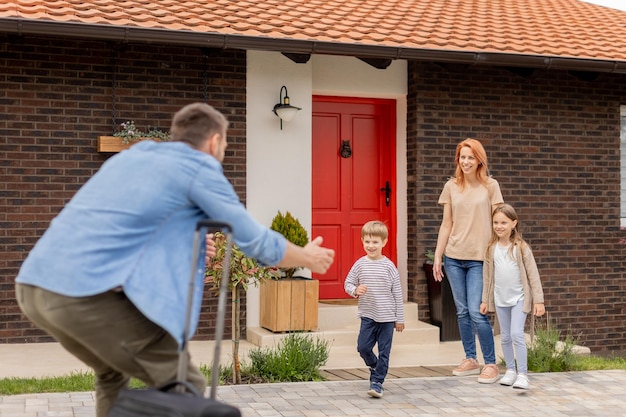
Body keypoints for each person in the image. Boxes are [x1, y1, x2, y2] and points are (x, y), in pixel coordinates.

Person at [15, 102, 335, 417]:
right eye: (224, 144)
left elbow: (126, 227)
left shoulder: (132, 159)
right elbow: (255, 240)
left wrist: (187, 246)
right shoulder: (197, 167)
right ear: (214, 141)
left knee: (112, 373)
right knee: (185, 385)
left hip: (33, 287)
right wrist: (306, 256)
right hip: (81, 295)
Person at [433, 138, 503, 384]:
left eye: (470, 157)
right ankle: (471, 358)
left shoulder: (491, 186)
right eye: (462, 157)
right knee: (462, 311)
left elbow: (499, 223)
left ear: (479, 160)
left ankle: (491, 364)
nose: (465, 161)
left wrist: (501, 253)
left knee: (477, 311)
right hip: (453, 257)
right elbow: (446, 224)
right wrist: (438, 257)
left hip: (479, 259)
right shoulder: (451, 186)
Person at [480, 204, 545, 390]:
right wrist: (485, 300)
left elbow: (533, 274)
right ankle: (510, 370)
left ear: (513, 223)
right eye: (495, 222)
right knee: (505, 336)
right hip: (500, 299)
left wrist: (538, 300)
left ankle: (523, 374)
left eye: (503, 222)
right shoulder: (491, 249)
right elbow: (487, 277)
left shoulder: (521, 248)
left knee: (517, 334)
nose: (499, 226)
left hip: (519, 298)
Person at [344, 220, 405, 398]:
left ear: (384, 242)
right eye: (367, 242)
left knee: (384, 351)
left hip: (387, 318)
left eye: (375, 242)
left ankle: (377, 382)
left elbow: (397, 295)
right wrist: (355, 290)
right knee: (363, 347)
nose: (371, 246)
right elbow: (347, 283)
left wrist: (399, 319)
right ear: (362, 241)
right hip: (368, 316)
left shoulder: (389, 267)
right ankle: (374, 365)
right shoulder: (360, 264)